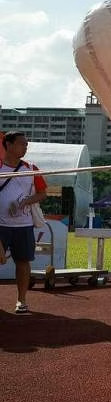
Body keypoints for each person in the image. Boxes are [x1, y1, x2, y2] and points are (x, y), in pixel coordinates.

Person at [0, 132, 47, 314]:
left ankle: (22, 300)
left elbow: (42, 193)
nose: (25, 147)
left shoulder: (32, 168)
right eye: (22, 144)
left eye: (27, 144)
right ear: (9, 144)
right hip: (1, 226)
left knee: (23, 262)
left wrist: (25, 201)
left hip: (23, 226)